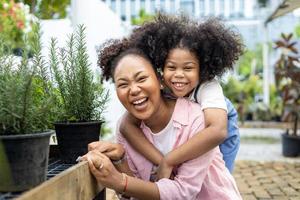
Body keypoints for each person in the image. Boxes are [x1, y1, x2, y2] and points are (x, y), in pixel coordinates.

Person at [81, 38, 242, 200]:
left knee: (221, 174)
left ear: (159, 80)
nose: (134, 90)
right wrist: (120, 160)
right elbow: (137, 194)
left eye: (142, 78)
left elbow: (218, 131)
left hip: (213, 185)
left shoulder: (201, 112)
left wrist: (120, 181)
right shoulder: (127, 127)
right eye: (123, 84)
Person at [119, 15, 243, 178]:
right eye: (171, 67)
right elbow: (126, 127)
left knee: (216, 180)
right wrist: (160, 160)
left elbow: (218, 131)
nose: (178, 75)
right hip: (190, 131)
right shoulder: (160, 84)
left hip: (223, 127)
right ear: (161, 67)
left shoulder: (208, 87)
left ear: (202, 68)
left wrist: (170, 160)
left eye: (188, 68)